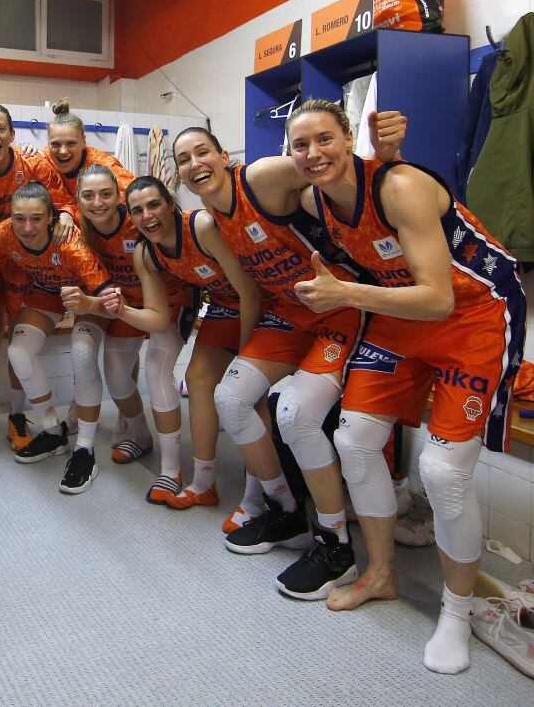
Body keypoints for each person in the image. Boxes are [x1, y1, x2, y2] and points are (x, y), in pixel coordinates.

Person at [286, 99, 525, 673]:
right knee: (354, 441)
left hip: (472, 316)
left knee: (441, 473)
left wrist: (345, 295)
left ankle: (458, 612)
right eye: (301, 145)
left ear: (349, 139)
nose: (314, 154)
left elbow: (439, 296)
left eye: (325, 139)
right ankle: (381, 574)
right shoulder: (311, 198)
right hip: (399, 318)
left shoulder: (402, 187)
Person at [171, 112, 405, 601]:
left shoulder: (258, 178)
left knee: (296, 413)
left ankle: (335, 543)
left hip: (338, 307)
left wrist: (388, 159)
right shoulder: (213, 221)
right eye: (183, 160)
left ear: (223, 157)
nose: (195, 164)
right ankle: (285, 511)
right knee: (231, 397)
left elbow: (336, 172)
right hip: (289, 312)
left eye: (202, 152)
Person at [119, 175, 263, 521]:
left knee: (251, 392)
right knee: (197, 378)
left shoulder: (200, 226)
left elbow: (250, 291)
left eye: (154, 204)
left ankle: (259, 497)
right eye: (137, 210)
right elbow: (158, 317)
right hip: (223, 306)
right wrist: (115, 309)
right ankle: (203, 483)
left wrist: (246, 356)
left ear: (170, 203)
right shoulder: (146, 252)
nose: (147, 215)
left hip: (260, 303)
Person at [0, 181, 114, 492]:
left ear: (51, 218)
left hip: (86, 293)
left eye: (36, 219)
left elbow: (111, 303)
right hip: (47, 289)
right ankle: (52, 432)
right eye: (20, 218)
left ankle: (85, 449)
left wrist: (86, 305)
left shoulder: (70, 243)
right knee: (18, 352)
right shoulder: (3, 233)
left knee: (82, 353)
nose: (27, 228)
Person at [0, 104, 78, 460]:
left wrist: (67, 212)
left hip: (25, 265)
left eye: (0, 129)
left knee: (16, 339)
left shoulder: (32, 163)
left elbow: (63, 199)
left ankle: (18, 417)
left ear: (11, 134)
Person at [43, 99, 164, 455]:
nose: (63, 150)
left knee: (120, 363)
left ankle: (131, 421)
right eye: (56, 144)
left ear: (85, 142)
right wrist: (65, 212)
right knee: (83, 355)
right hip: (93, 279)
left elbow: (144, 204)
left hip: (133, 286)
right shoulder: (46, 166)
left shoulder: (107, 170)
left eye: (71, 143)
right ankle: (83, 408)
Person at [68, 166, 198, 495]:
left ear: (119, 196)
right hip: (128, 307)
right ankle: (141, 436)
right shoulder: (81, 230)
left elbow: (181, 232)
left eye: (106, 194)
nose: (98, 203)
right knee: (115, 375)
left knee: (156, 371)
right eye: (88, 196)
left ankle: (171, 469)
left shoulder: (139, 219)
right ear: (78, 199)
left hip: (172, 300)